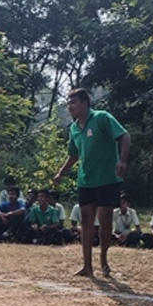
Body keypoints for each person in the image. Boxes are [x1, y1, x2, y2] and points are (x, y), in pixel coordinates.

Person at [54, 88, 131, 277]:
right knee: (86, 220)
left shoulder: (101, 118)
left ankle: (103, 258)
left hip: (107, 178)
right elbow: (73, 155)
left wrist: (122, 160)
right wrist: (60, 173)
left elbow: (124, 136)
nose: (69, 107)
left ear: (85, 104)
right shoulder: (73, 128)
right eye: (68, 103)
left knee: (105, 218)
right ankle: (87, 266)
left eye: (73, 103)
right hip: (85, 180)